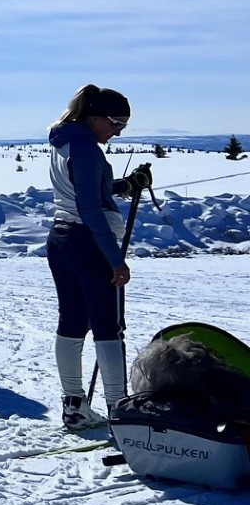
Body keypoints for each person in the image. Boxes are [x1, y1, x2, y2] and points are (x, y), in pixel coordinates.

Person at [47, 85, 145, 430]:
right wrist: (115, 259)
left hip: (61, 239)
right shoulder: (87, 148)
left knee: (72, 321)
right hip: (88, 242)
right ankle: (120, 408)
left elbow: (85, 191)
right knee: (109, 326)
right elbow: (90, 208)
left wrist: (126, 185)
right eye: (116, 123)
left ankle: (73, 406)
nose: (117, 131)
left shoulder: (66, 140)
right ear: (95, 118)